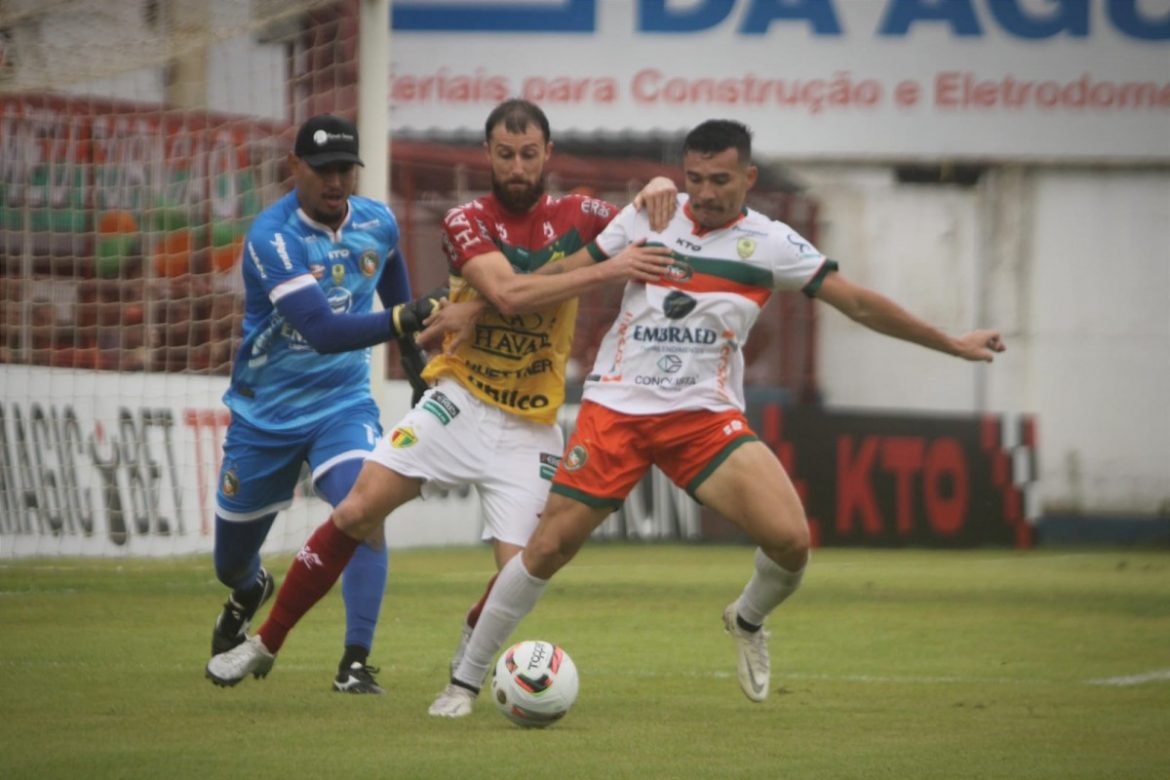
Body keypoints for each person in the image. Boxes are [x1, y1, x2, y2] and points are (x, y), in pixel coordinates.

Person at [426, 118, 1008, 717]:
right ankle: (463, 683)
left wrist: (951, 342)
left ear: (749, 177)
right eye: (694, 178)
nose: (703, 193)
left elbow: (857, 303)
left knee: (791, 542)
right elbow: (557, 275)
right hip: (618, 408)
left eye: (720, 181)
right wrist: (477, 309)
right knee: (548, 547)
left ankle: (747, 619)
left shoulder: (772, 243)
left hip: (703, 418)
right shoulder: (649, 215)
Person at [204, 99, 678, 691]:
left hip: (521, 420)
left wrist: (657, 188)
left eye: (529, 154)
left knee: (519, 570)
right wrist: (607, 268)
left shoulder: (579, 214)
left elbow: (659, 224)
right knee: (347, 515)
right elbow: (505, 294)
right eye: (505, 154)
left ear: (548, 155)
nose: (518, 167)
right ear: (487, 155)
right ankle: (263, 637)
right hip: (454, 401)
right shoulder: (463, 219)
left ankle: (381, 660)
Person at [207, 114, 441, 694]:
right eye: (322, 169)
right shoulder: (273, 237)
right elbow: (321, 330)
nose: (335, 181)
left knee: (364, 510)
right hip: (265, 417)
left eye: (344, 169)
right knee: (229, 563)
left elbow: (391, 268)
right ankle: (249, 589)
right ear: (295, 167)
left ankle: (354, 662)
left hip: (342, 403)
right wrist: (402, 320)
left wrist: (412, 357)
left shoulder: (377, 221)